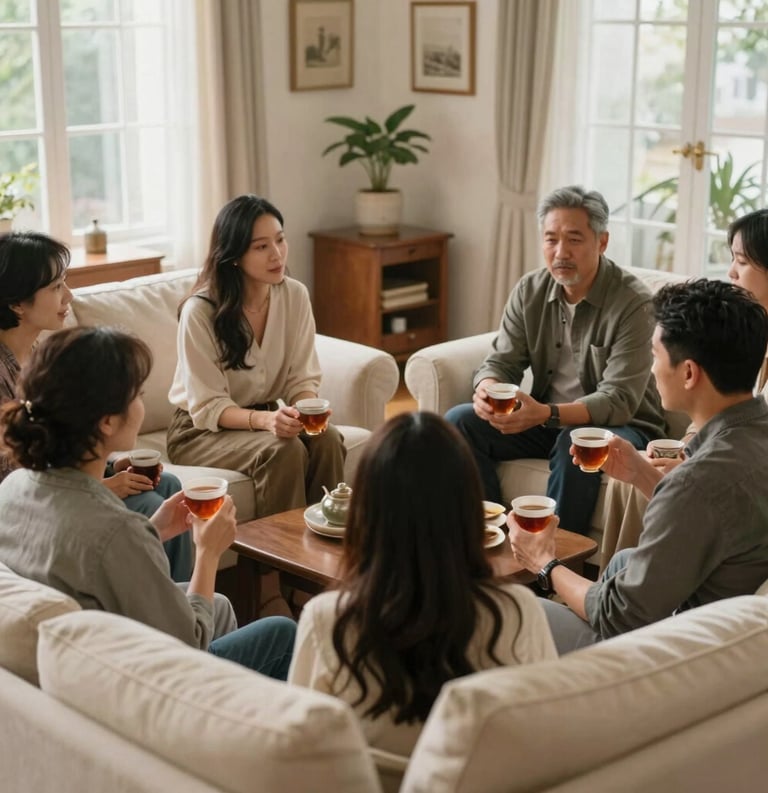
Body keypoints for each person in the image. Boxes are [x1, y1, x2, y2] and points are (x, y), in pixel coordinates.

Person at [0, 325, 295, 679]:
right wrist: (208, 552)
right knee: (281, 633)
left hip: (81, 663)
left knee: (219, 604)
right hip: (142, 682)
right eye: (137, 395)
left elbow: (87, 565)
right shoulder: (115, 529)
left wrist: (152, 530)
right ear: (107, 422)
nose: (142, 405)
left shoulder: (14, 487)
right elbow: (191, 642)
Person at [508, 279, 768, 655]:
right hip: (730, 624)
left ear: (689, 373)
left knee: (512, 610)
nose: (650, 367)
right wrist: (642, 475)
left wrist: (544, 562)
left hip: (679, 652)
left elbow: (617, 616)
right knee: (623, 563)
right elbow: (715, 517)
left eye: (655, 355)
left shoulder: (697, 482)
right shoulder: (749, 435)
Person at [288, 411, 557, 757]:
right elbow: (544, 738)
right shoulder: (518, 612)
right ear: (467, 509)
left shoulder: (326, 619)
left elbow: (301, 754)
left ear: (365, 514)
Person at [446, 185, 666, 536]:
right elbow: (502, 361)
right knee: (460, 421)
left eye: (574, 239)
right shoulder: (530, 289)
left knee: (577, 441)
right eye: (551, 239)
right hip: (548, 418)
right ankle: (491, 536)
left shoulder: (634, 303)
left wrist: (545, 414)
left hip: (626, 426)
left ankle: (555, 564)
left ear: (602, 241)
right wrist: (486, 390)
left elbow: (619, 400)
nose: (560, 252)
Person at [167, 195, 346, 615]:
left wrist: (305, 410)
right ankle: (269, 587)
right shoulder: (201, 311)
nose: (277, 254)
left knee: (327, 439)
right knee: (280, 452)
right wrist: (267, 422)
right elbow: (208, 406)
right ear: (233, 255)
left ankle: (326, 575)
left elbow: (302, 379)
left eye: (280, 240)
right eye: (260, 246)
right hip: (200, 429)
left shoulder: (294, 296)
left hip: (266, 415)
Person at [0, 231, 192, 581]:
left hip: (60, 480)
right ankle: (168, 620)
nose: (68, 296)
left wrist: (111, 461)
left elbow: (65, 435)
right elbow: (13, 486)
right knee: (148, 506)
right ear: (17, 304)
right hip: (32, 503)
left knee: (169, 486)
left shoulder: (45, 354)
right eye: (56, 287)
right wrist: (103, 487)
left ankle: (175, 601)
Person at [599, 208, 768, 571]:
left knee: (639, 481)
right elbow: (721, 406)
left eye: (741, 262)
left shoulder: (739, 332)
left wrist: (699, 465)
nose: (731, 273)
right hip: (720, 459)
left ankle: (632, 600)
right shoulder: (745, 329)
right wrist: (690, 454)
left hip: (743, 482)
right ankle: (618, 585)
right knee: (625, 476)